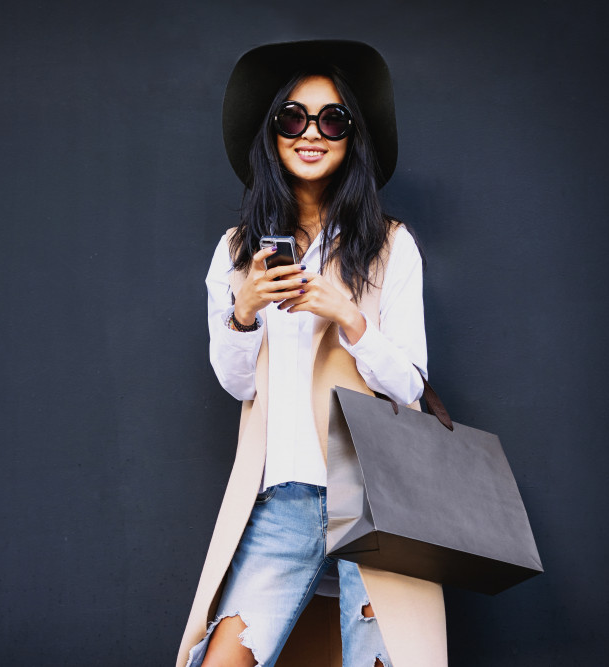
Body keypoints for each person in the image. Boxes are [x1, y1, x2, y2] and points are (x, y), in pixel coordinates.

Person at [177, 41, 447, 667]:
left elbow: (409, 386)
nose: (312, 134)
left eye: (333, 120)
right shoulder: (237, 251)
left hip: (378, 502)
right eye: (293, 117)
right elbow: (237, 385)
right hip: (283, 499)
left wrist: (348, 317)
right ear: (272, 132)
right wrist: (243, 313)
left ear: (352, 137)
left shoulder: (390, 246)